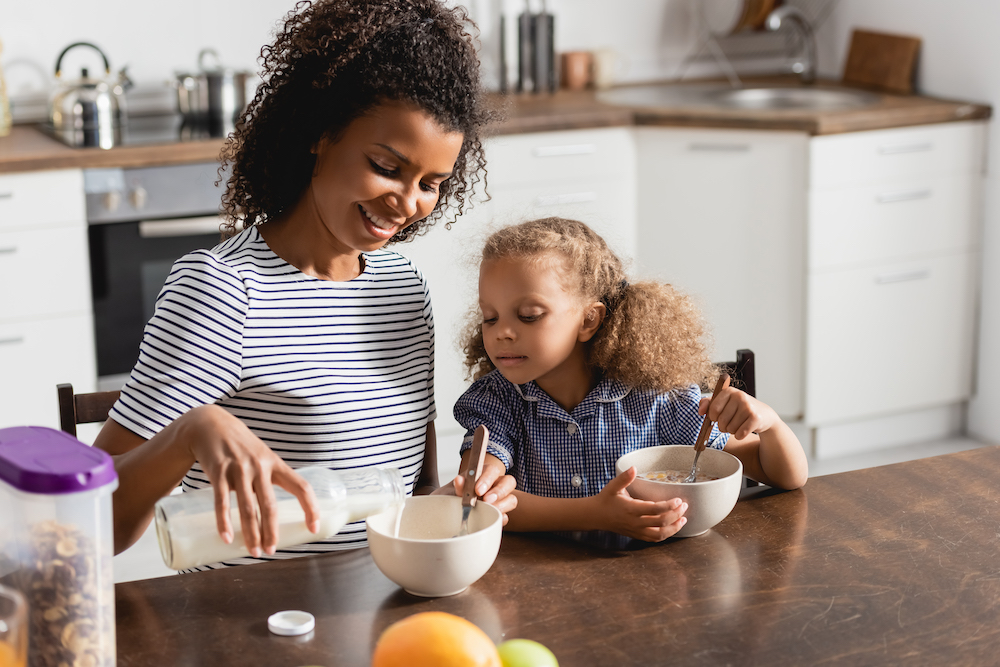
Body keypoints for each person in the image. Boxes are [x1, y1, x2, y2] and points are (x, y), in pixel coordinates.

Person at [94, 0, 515, 569]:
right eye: (386, 167)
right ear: (322, 133)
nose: (408, 202)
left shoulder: (401, 285)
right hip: (251, 625)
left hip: (380, 607)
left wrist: (454, 503)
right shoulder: (222, 291)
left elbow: (405, 486)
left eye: (431, 182)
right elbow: (97, 524)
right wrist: (188, 433)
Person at [453, 217, 809, 542]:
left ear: (589, 320)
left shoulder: (659, 398)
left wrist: (772, 425)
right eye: (490, 317)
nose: (502, 333)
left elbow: (785, 476)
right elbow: (479, 498)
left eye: (528, 316)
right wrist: (596, 514)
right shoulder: (494, 402)